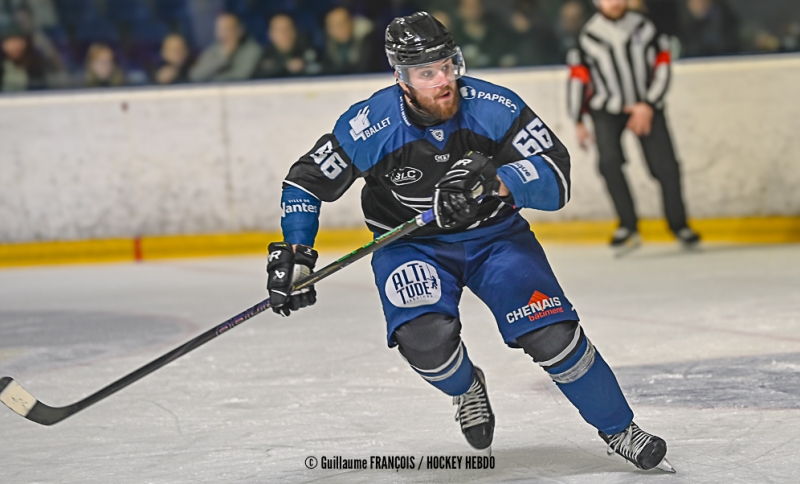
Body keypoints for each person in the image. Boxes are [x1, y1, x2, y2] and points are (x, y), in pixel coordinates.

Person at [267, 11, 675, 473]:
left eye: (447, 64)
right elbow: (305, 183)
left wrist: (497, 181)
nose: (443, 80)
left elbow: (558, 175)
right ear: (401, 78)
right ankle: (465, 388)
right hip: (411, 246)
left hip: (496, 238)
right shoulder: (369, 126)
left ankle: (621, 429)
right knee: (426, 343)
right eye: (426, 73)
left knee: (552, 335)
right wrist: (297, 253)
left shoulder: (494, 106)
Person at [567, 0, 700, 254]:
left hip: (647, 106)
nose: (614, 2)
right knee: (609, 163)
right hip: (606, 109)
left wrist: (648, 103)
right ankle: (627, 225)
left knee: (666, 167)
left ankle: (679, 224)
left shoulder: (647, 27)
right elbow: (578, 78)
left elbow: (663, 65)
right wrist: (578, 118)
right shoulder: (587, 35)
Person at [189, 12, 261, 83]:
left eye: (228, 28)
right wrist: (223, 56)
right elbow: (195, 75)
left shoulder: (252, 50)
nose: (224, 33)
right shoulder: (213, 49)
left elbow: (241, 76)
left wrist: (210, 78)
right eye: (220, 29)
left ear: (239, 30)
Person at [255, 13, 320, 78]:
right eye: (279, 30)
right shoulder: (263, 56)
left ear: (295, 30)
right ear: (270, 34)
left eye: (288, 28)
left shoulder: (309, 48)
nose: (284, 34)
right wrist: (285, 66)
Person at [320, 6, 375, 75]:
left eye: (344, 22)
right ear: (328, 30)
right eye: (336, 25)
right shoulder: (323, 48)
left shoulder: (371, 41)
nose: (342, 28)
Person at [0, 24, 46, 91]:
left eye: (18, 40)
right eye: (11, 41)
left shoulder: (36, 63)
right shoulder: (2, 63)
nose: (15, 45)